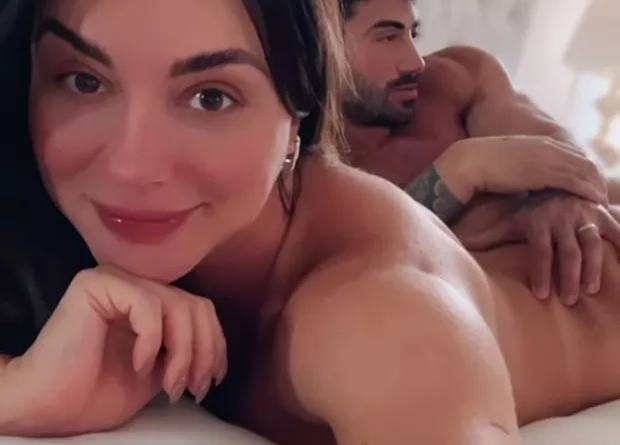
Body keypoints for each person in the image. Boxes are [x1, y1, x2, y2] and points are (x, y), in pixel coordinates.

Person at [2, 0, 620, 444]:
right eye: (83, 81)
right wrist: (22, 391)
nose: (132, 167)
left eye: (211, 97)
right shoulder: (41, 198)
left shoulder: (369, 317)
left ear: (298, 117)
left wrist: (556, 189)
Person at [340, 0, 620, 306]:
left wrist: (560, 195)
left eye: (412, 34)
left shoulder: (456, 76)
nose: (416, 62)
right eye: (388, 37)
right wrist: (463, 168)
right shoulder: (313, 162)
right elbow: (366, 261)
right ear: (321, 41)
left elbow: (560, 149)